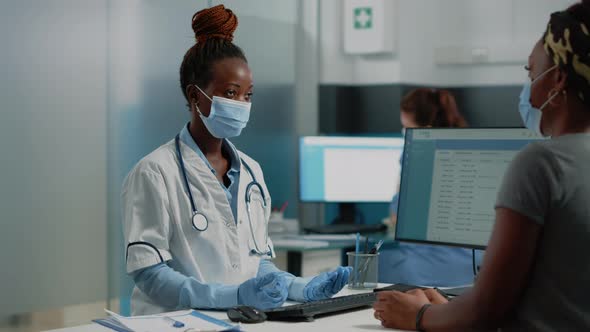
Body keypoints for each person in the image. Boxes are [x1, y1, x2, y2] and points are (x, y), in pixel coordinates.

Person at [374, 1, 590, 330]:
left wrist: (417, 315)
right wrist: (452, 309)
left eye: (532, 74)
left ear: (558, 78)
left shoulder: (541, 163)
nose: (529, 93)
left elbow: (484, 313)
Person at [122, 5, 350, 315]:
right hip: (174, 323)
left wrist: (299, 287)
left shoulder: (252, 172)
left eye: (248, 95)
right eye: (230, 93)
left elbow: (257, 262)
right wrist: (229, 296)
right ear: (194, 96)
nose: (241, 104)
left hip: (238, 320)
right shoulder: (154, 172)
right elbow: (149, 273)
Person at [379, 88, 476, 287]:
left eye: (406, 127)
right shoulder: (472, 151)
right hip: (471, 274)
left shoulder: (417, 155)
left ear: (425, 129)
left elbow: (398, 219)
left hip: (428, 273)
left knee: (368, 267)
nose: (404, 133)